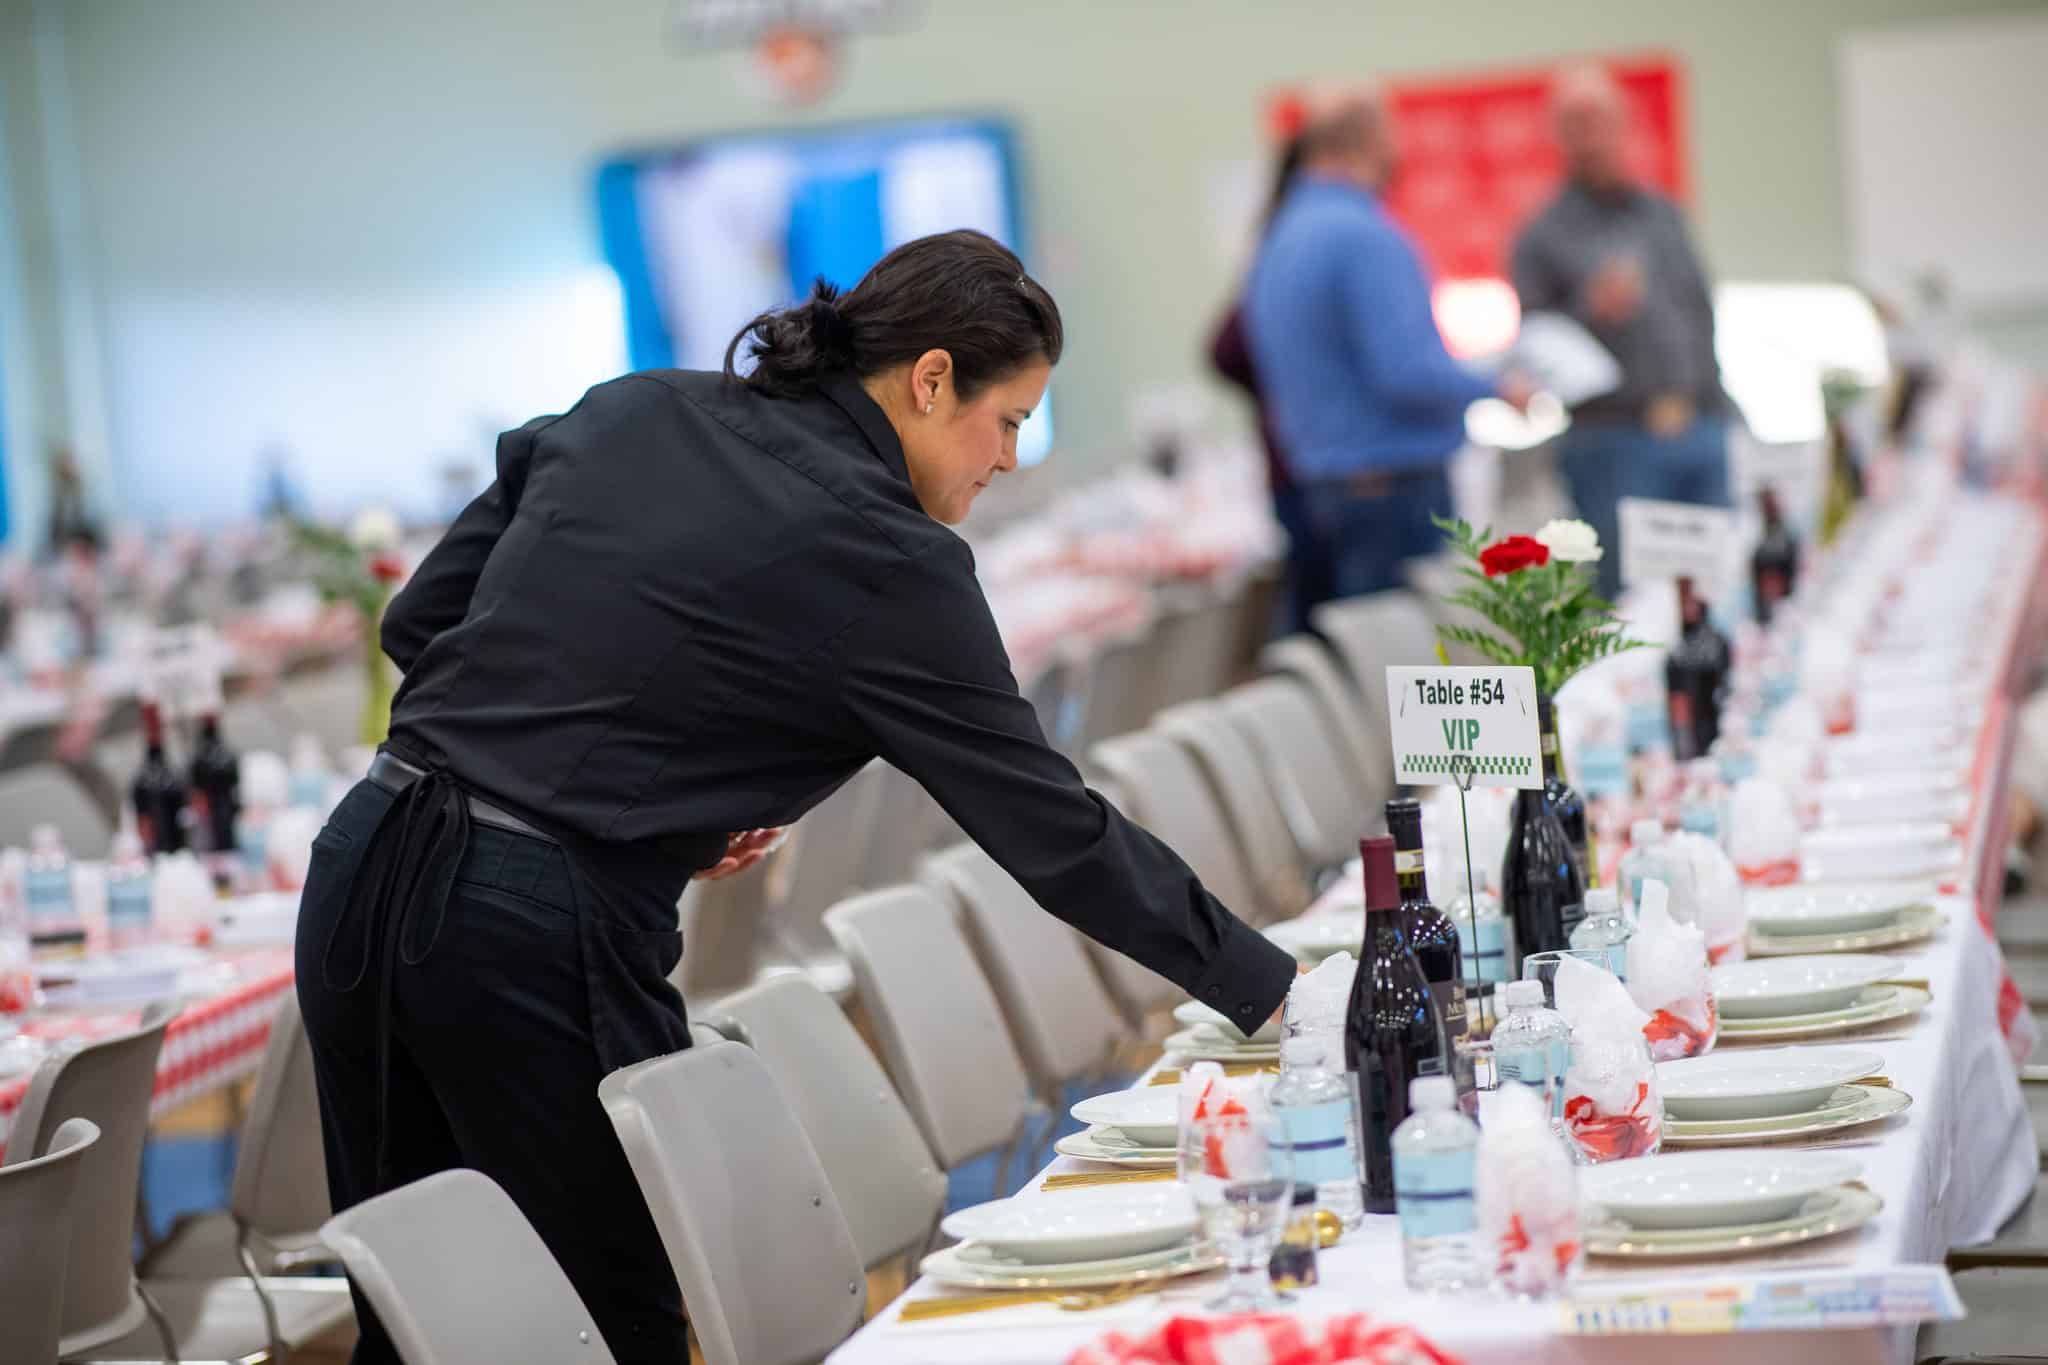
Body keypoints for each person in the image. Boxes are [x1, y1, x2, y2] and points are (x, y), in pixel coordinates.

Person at [295, 229, 1299, 1364]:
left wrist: (625, 782)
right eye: (1008, 420)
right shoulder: (891, 559)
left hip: (363, 857)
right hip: (528, 923)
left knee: (417, 1322)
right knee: (610, 1314)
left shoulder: (637, 405)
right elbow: (1055, 830)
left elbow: (421, 624)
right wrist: (1270, 991)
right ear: (930, 380)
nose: (1011, 458)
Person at [1244, 87, 1531, 607]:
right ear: (1366, 146)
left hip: (1325, 483)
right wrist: (1498, 386)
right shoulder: (1364, 236)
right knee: (1410, 651)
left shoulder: (1279, 236)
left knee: (1361, 641)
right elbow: (1406, 371)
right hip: (1391, 489)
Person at [1512, 63, 1730, 597]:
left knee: (1719, 586)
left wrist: (1721, 409)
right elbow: (1536, 346)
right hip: (1612, 442)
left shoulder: (1662, 214)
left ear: (1625, 124)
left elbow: (1698, 311)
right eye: (1575, 122)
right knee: (1632, 601)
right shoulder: (1541, 235)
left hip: (1699, 426)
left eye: (1599, 119)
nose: (1590, 136)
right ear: (1558, 135)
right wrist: (1590, 310)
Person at [1211, 131, 1322, 632]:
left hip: (1296, 464)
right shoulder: (1296, 248)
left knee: (1312, 608)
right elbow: (1225, 350)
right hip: (1307, 467)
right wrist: (1283, 392)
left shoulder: (1280, 244)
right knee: (1319, 614)